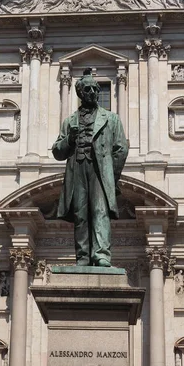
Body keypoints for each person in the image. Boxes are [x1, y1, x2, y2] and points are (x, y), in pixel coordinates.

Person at [52, 68, 128, 267]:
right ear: (80, 93)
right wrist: (70, 139)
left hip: (100, 170)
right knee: (80, 214)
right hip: (77, 169)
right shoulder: (69, 122)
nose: (93, 92)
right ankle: (83, 257)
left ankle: (101, 254)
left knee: (99, 211)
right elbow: (57, 152)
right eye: (88, 89)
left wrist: (111, 174)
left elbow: (121, 149)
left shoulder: (112, 119)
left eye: (96, 89)